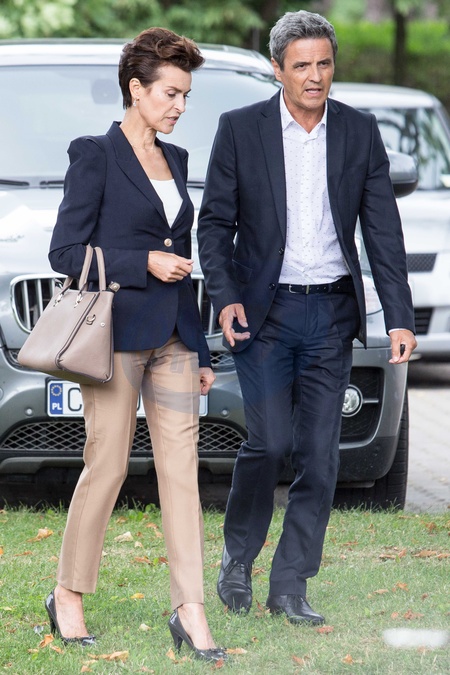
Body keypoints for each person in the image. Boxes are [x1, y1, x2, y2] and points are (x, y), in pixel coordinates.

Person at [197, 10, 417, 626]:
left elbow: (383, 230)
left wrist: (399, 317)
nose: (315, 76)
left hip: (332, 313)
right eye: (302, 66)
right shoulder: (240, 129)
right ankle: (237, 558)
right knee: (269, 444)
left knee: (320, 457)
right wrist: (226, 295)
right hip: (265, 314)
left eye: (324, 64)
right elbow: (213, 225)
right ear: (278, 70)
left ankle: (290, 584)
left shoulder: (359, 131)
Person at [45, 27, 225, 663]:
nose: (180, 106)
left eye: (186, 95)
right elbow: (65, 252)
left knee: (181, 471)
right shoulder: (95, 154)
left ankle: (190, 609)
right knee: (110, 466)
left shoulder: (177, 160)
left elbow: (186, 260)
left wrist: (201, 350)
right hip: (115, 337)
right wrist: (141, 261)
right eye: (171, 93)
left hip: (175, 337)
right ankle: (68, 593)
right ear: (136, 89)